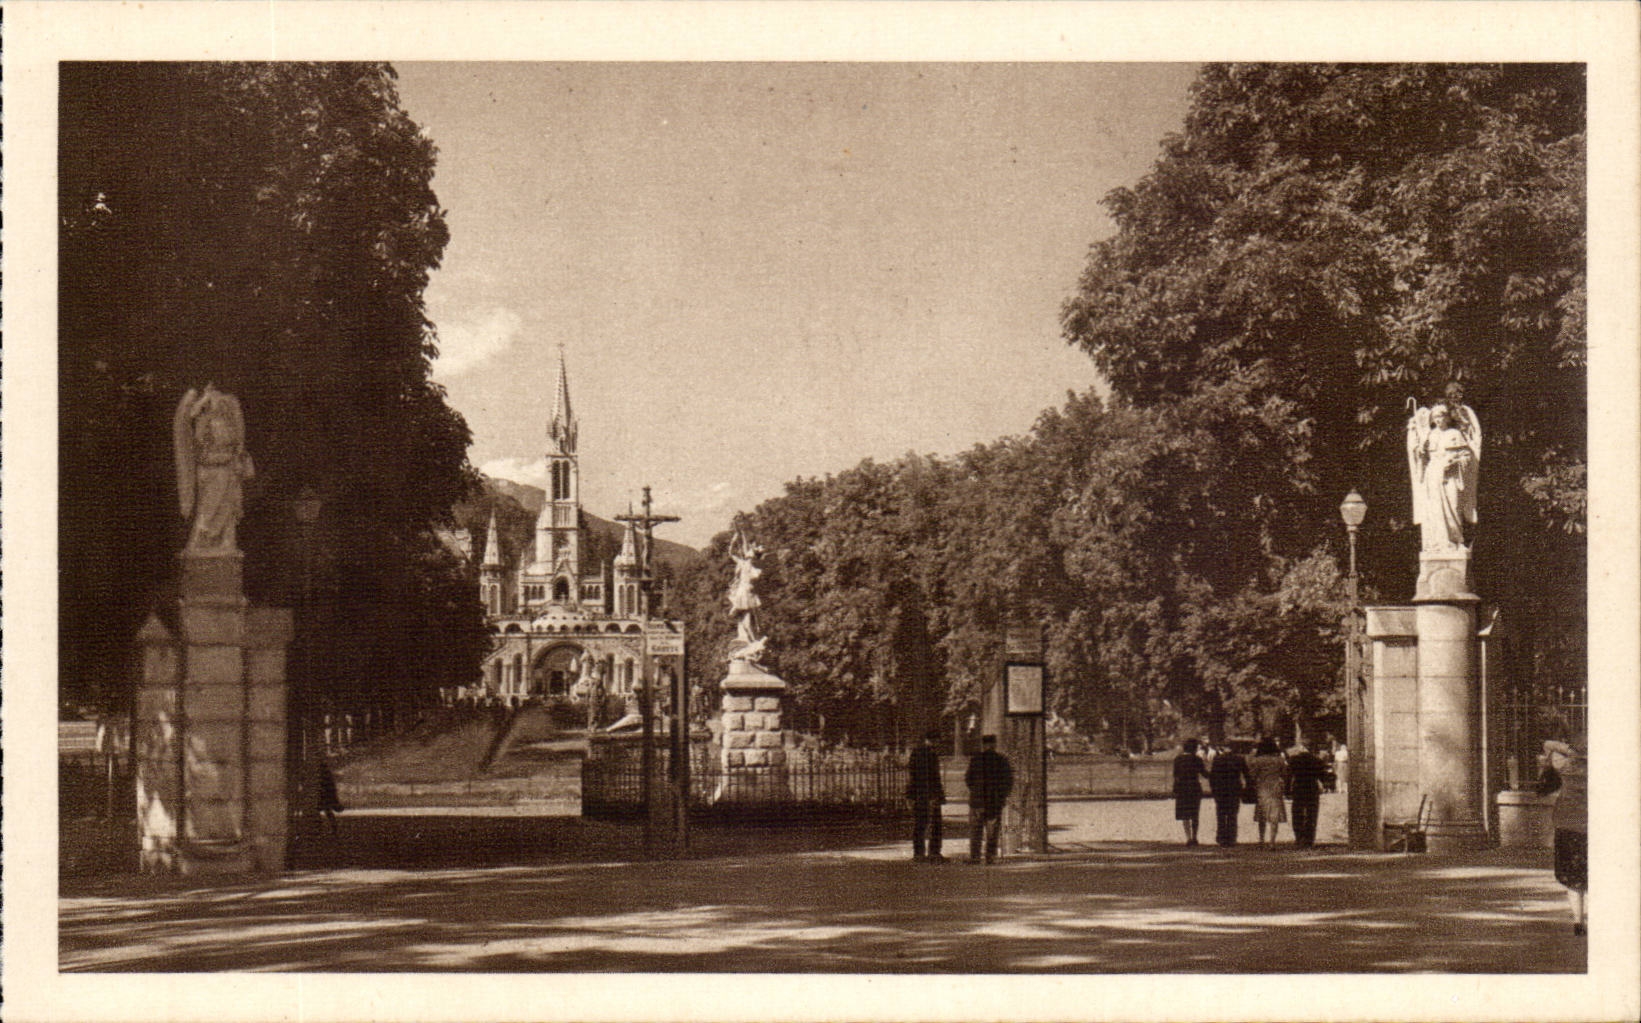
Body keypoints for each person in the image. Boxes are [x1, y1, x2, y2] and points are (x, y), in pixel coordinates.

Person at [1536, 739, 1587, 935]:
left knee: (1574, 879)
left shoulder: (1565, 766)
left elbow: (1547, 743)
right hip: (1594, 827)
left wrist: (1568, 749)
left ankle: (1578, 922)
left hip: (1567, 825)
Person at [965, 734, 1013, 864]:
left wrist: (975, 791)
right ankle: (990, 856)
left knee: (975, 830)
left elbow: (968, 779)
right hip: (994, 801)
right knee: (992, 831)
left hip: (977, 800)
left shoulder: (976, 759)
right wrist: (1002, 796)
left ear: (983, 745)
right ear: (994, 744)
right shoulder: (1002, 760)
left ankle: (975, 857)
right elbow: (1008, 781)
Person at [906, 729, 947, 862]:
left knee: (920, 824)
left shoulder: (915, 753)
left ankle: (918, 853)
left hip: (918, 794)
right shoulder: (931, 754)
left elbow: (912, 775)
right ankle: (934, 852)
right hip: (930, 794)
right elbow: (934, 777)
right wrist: (937, 795)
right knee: (936, 824)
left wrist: (911, 795)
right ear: (934, 740)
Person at [1247, 737, 1288, 848]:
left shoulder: (1258, 760)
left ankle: (1261, 839)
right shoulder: (1279, 760)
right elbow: (1284, 774)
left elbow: (1252, 775)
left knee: (1262, 815)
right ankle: (1272, 841)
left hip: (1262, 788)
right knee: (1274, 815)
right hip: (1275, 788)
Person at [1286, 741, 1329, 848]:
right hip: (1312, 788)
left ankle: (1298, 838)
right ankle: (1309, 839)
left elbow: (1288, 776)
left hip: (1298, 787)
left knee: (1297, 813)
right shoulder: (1317, 761)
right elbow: (1323, 776)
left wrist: (1287, 790)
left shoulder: (1294, 760)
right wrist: (1325, 785)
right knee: (1312, 814)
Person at [1208, 743, 1250, 846]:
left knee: (1221, 814)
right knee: (1232, 814)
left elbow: (1212, 776)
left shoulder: (1217, 759)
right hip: (1234, 788)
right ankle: (1232, 837)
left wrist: (1213, 789)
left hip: (1221, 789)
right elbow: (1246, 774)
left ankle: (1221, 837)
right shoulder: (1239, 759)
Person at [1171, 739, 1210, 846]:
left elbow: (1175, 775)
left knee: (1185, 814)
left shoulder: (1178, 759)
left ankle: (1188, 837)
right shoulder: (1197, 759)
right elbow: (1204, 774)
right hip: (1194, 788)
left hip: (1183, 788)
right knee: (1195, 813)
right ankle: (1195, 836)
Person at [315, 758, 343, 836]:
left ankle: (319, 829)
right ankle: (333, 829)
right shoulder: (327, 774)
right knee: (327, 811)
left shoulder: (320, 774)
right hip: (325, 795)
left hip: (322, 795)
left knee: (319, 811)